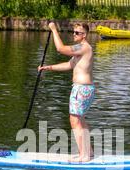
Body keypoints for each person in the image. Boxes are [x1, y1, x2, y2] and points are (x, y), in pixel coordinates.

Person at [38, 22, 95, 162]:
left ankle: (84, 156)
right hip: (86, 89)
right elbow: (68, 65)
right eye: (74, 32)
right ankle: (89, 152)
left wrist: (53, 30)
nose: (74, 34)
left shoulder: (83, 47)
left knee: (74, 120)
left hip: (81, 89)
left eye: (77, 33)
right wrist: (48, 67)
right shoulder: (80, 50)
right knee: (80, 119)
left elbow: (60, 48)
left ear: (85, 35)